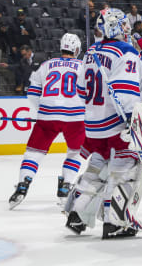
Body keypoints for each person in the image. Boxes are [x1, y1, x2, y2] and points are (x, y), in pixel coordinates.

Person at [65, 8, 142, 239]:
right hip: (117, 125)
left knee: (96, 170)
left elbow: (81, 90)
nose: (128, 29)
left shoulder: (91, 52)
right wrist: (132, 120)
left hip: (93, 126)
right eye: (124, 25)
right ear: (116, 26)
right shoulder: (126, 52)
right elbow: (125, 92)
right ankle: (115, 222)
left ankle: (77, 214)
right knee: (125, 172)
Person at [8, 34, 85, 209]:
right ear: (77, 50)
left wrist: (43, 111)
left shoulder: (46, 65)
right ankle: (66, 187)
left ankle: (22, 186)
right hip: (75, 117)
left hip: (47, 116)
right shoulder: (82, 66)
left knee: (33, 153)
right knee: (75, 152)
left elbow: (33, 93)